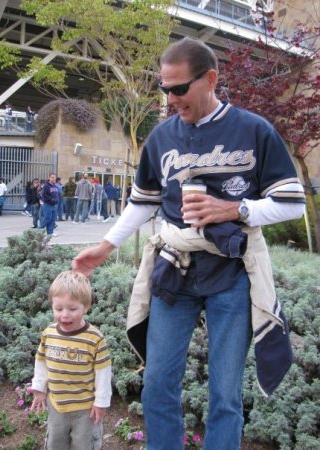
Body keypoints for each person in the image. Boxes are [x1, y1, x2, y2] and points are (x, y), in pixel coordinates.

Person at [72, 37, 305, 450]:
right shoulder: (162, 137)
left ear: (210, 79)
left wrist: (236, 210)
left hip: (231, 273)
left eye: (180, 89)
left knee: (225, 393)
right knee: (158, 382)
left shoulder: (253, 130)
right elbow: (142, 203)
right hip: (173, 270)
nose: (171, 99)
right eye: (165, 90)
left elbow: (290, 203)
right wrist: (105, 246)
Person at [30, 270, 112, 450]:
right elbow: (41, 361)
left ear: (86, 306)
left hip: (86, 410)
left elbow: (103, 373)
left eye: (72, 309)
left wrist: (101, 402)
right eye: (58, 309)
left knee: (84, 445)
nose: (64, 315)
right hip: (56, 406)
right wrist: (39, 387)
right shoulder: (49, 334)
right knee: (55, 444)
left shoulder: (95, 339)